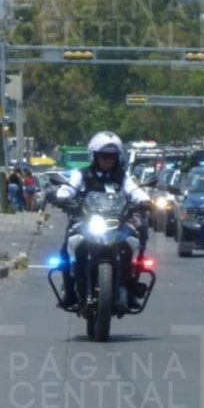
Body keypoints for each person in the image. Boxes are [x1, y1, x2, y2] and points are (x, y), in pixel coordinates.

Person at [55, 132, 151, 310]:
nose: (107, 160)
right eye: (103, 156)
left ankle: (130, 288)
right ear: (94, 156)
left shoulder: (123, 176)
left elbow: (134, 191)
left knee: (138, 236)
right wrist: (62, 196)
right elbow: (69, 188)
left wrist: (144, 200)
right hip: (86, 221)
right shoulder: (82, 174)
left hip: (117, 223)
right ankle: (69, 292)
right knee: (67, 247)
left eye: (111, 157)